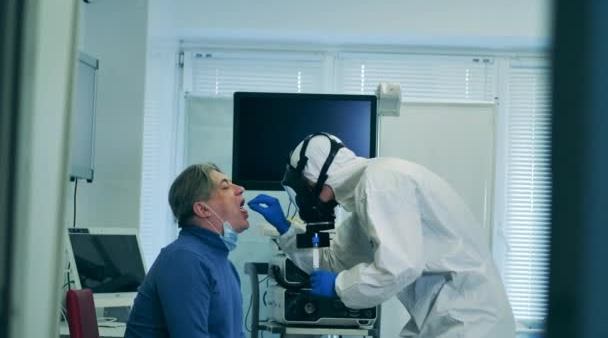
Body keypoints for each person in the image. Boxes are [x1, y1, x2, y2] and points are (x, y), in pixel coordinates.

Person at [248, 133, 515, 337]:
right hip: (440, 318)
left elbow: (400, 266)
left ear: (320, 177)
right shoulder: (365, 198)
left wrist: (339, 285)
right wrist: (286, 231)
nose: (307, 197)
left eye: (305, 187)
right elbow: (334, 260)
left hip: (468, 320)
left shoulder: (381, 182)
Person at [125, 163, 249, 338]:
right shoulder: (184, 259)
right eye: (225, 186)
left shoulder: (226, 265)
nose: (240, 189)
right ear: (202, 209)